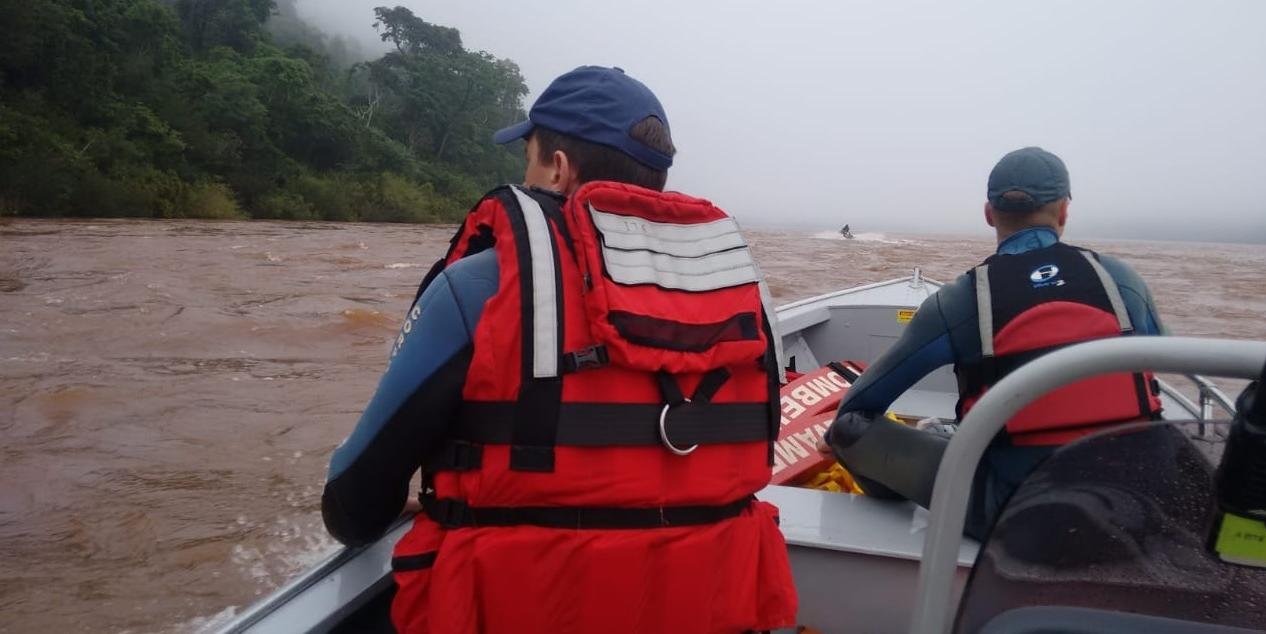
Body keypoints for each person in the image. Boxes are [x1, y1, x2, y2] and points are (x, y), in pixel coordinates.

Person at [322, 66, 797, 634]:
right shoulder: (746, 301)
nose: (524, 170)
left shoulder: (478, 288)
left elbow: (353, 507)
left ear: (557, 169)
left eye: (528, 155)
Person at [821, 146, 1166, 540]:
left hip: (1013, 517)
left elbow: (857, 408)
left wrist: (839, 440)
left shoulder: (961, 300)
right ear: (1064, 211)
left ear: (989, 214)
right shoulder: (1121, 279)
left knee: (848, 431)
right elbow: (1162, 362)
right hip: (1136, 502)